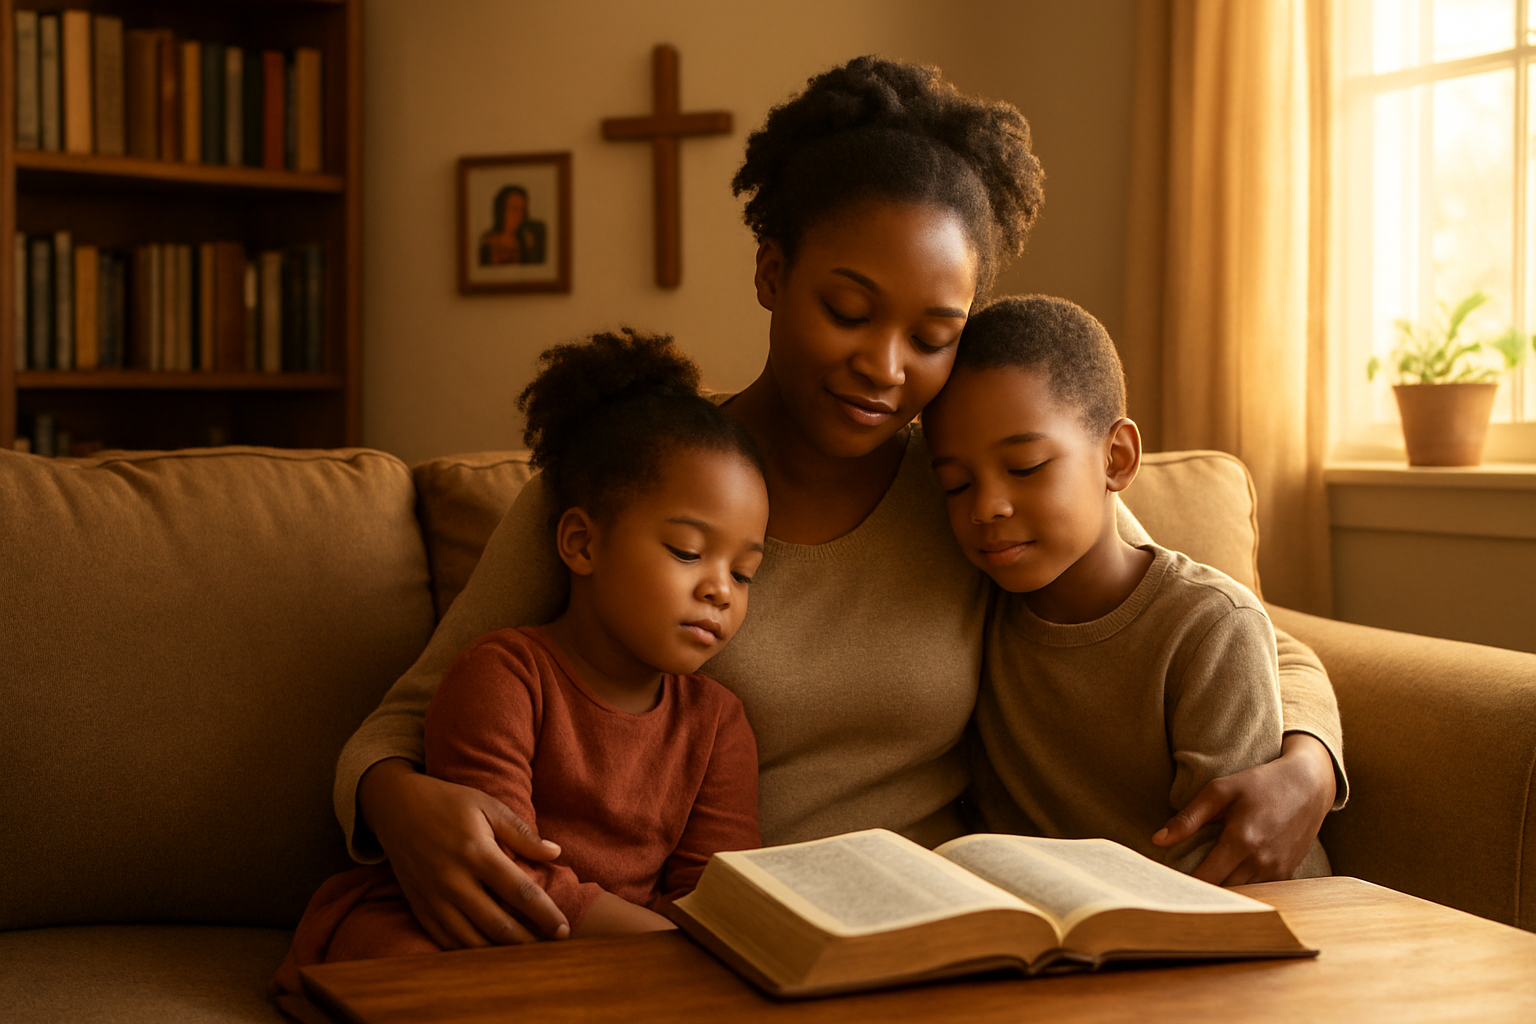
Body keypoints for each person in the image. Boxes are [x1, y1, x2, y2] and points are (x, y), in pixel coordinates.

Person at [335, 56, 1346, 950]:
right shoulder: (643, 475)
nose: (886, 367)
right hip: (716, 930)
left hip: (942, 921)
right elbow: (408, 718)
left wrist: (1307, 764)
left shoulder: (969, 483)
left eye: (934, 333)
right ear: (773, 272)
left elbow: (1222, 616)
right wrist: (399, 805)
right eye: (849, 311)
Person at [271, 331, 766, 1007]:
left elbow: (712, 894)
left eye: (744, 572)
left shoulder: (718, 724)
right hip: (476, 920)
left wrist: (699, 952)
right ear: (581, 543)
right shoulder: (502, 676)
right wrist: (670, 949)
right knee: (415, 963)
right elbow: (499, 868)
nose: (721, 590)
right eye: (687, 552)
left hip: (610, 953)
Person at [924, 295, 1331, 876]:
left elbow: (1234, 864)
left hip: (1235, 915)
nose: (986, 508)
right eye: (957, 484)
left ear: (1116, 458)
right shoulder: (975, 611)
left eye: (1026, 468)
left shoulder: (1211, 627)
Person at [480, 185, 547, 265]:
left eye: (522, 210)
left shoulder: (527, 240)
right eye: (514, 209)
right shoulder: (488, 241)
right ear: (501, 210)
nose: (519, 216)